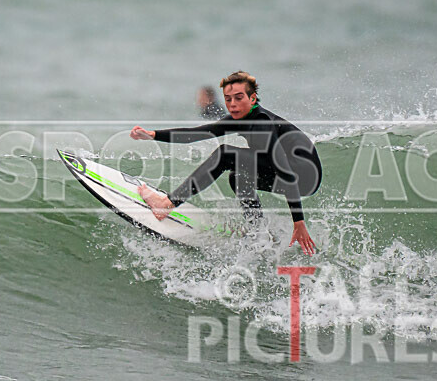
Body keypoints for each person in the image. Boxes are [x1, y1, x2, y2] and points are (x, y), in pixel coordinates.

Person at [130, 71, 322, 256]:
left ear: (253, 99)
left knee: (225, 154)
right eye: (228, 99)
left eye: (239, 98)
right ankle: (259, 233)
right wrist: (153, 135)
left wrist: (298, 222)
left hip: (302, 173)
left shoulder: (263, 124)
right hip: (294, 174)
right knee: (237, 176)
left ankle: (166, 204)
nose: (232, 104)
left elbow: (286, 173)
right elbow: (194, 134)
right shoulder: (239, 119)